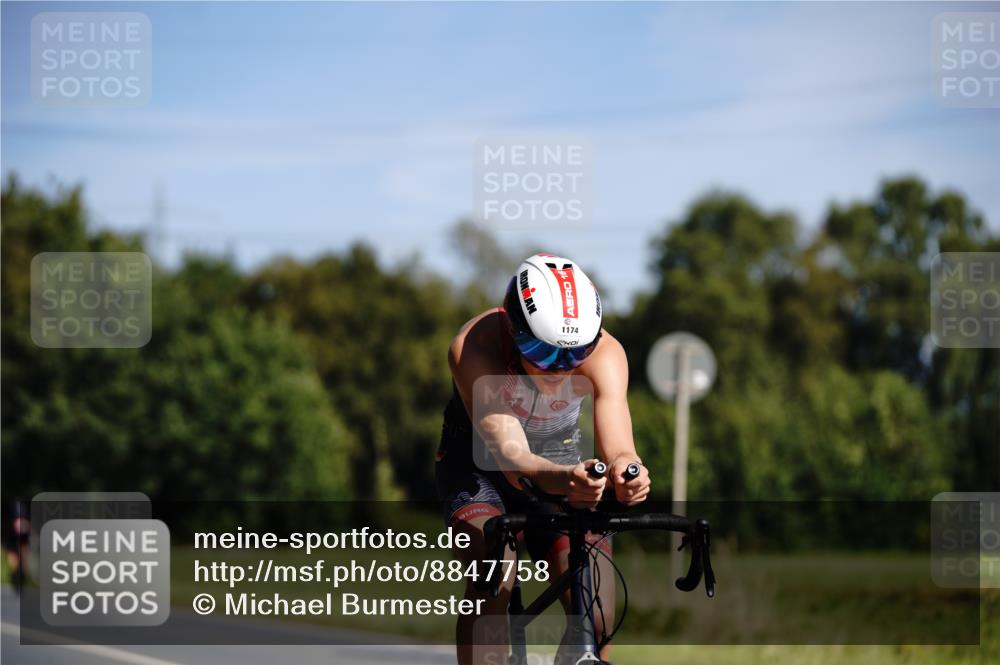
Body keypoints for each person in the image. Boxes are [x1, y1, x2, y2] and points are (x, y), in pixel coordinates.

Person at [436, 253, 651, 664]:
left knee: (598, 611)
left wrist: (630, 472)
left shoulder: (606, 353)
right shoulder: (475, 347)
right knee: (493, 575)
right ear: (514, 330)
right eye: (544, 352)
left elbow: (620, 447)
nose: (560, 368)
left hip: (560, 458)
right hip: (478, 466)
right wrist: (569, 479)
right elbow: (512, 458)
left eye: (574, 355)